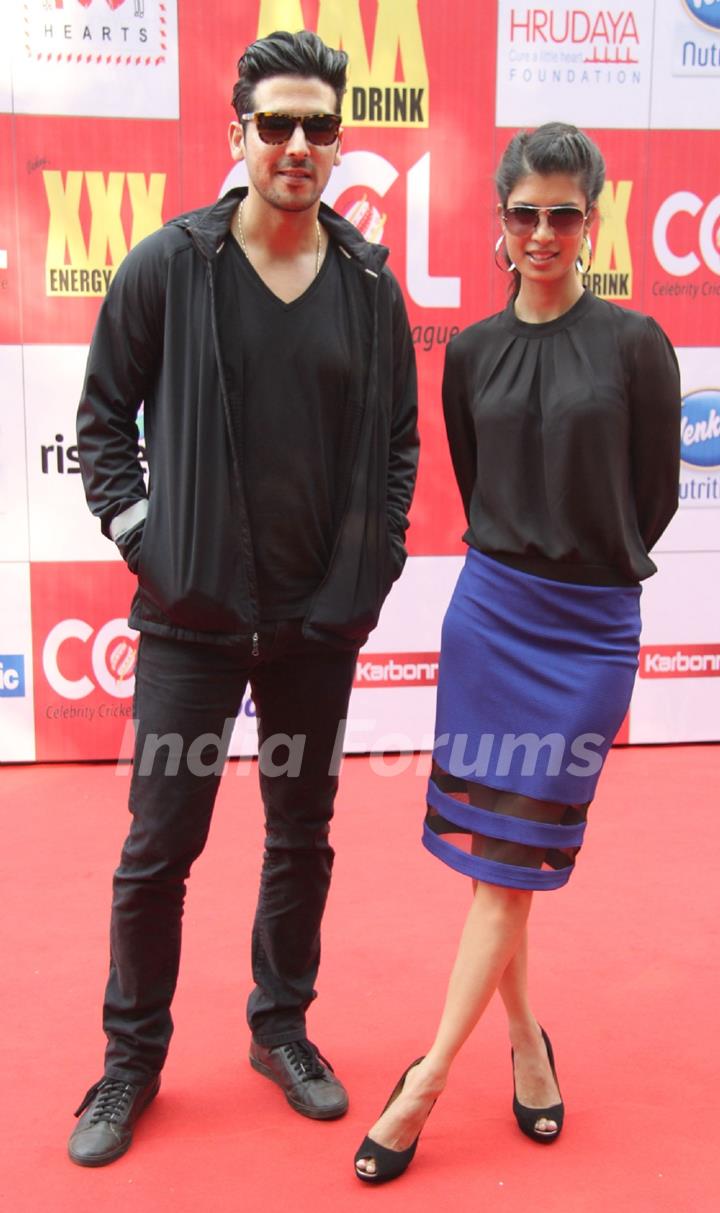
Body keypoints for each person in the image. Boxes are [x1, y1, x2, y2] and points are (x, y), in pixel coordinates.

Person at [69, 29, 418, 1167]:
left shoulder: (369, 284)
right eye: (277, 123)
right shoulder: (171, 264)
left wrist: (370, 570)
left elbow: (400, 444)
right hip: (194, 617)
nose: (299, 145)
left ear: (339, 141)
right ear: (239, 135)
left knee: (301, 835)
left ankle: (282, 1028)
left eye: (320, 125)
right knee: (159, 846)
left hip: (318, 623)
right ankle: (130, 1062)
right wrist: (149, 544)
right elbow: (101, 427)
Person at [354, 122, 680, 1183]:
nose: (544, 232)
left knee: (512, 866)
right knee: (505, 869)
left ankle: (424, 1084)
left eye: (565, 213)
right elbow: (477, 475)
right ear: (501, 223)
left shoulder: (637, 345)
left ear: (595, 219)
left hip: (586, 633)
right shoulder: (475, 352)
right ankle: (528, 1048)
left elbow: (657, 495)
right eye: (525, 213)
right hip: (490, 617)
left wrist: (587, 559)